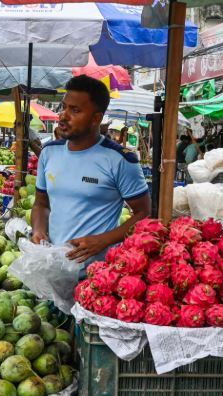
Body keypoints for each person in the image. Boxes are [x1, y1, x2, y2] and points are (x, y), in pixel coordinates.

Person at [31, 75, 150, 265]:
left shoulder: (120, 160)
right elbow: (41, 204)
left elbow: (144, 213)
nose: (63, 116)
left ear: (96, 118)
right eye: (64, 107)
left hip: (96, 277)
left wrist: (103, 240)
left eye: (75, 110)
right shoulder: (49, 152)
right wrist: (38, 230)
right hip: (52, 267)